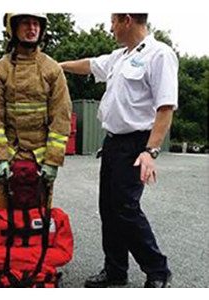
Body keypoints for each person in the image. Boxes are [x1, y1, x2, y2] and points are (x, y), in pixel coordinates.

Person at [59, 13, 178, 288]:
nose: (110, 27)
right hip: (113, 143)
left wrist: (151, 151)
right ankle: (115, 271)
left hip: (137, 144)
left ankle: (158, 271)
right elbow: (89, 65)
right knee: (109, 210)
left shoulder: (159, 55)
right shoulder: (119, 56)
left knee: (126, 208)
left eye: (112, 21)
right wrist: (54, 65)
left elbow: (165, 108)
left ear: (126, 20)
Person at [0, 13, 72, 209]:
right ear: (13, 29)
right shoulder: (0, 70)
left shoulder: (52, 69)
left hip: (40, 162)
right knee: (4, 221)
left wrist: (53, 161)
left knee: (38, 223)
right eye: (25, 23)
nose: (32, 28)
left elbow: (61, 117)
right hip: (8, 157)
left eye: (36, 24)